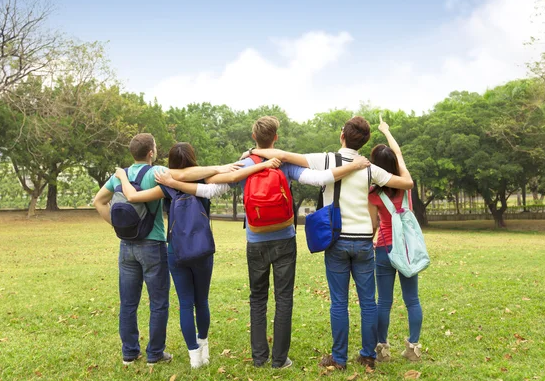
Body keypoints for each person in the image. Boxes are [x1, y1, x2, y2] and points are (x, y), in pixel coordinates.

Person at [209, 116, 371, 370]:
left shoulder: (244, 163)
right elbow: (321, 178)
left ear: (254, 138)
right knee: (283, 298)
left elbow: (213, 184)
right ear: (276, 138)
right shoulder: (284, 164)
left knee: (257, 298)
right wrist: (353, 166)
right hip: (284, 238)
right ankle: (279, 359)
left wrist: (245, 165)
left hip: (255, 239)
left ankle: (259, 357)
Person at [251, 116, 414, 370]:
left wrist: (254, 151)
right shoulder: (369, 167)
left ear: (342, 136)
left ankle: (339, 359)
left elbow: (284, 154)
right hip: (363, 242)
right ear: (364, 142)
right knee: (368, 302)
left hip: (336, 240)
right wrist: (400, 161)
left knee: (339, 302)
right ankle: (368, 356)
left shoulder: (327, 159)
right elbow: (406, 183)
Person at [113, 142, 280, 369]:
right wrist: (253, 163)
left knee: (185, 303)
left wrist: (122, 175)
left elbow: (134, 196)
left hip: (176, 250)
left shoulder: (164, 184)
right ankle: (204, 347)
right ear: (193, 159)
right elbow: (234, 177)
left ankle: (194, 356)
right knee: (202, 301)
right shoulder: (205, 182)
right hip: (202, 249)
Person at [92, 133, 243, 367]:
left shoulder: (120, 175)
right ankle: (155, 354)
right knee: (159, 302)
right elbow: (184, 175)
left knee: (128, 303)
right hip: (152, 244)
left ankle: (130, 353)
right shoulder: (156, 174)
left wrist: (118, 225)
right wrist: (221, 166)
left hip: (127, 246)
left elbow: (99, 201)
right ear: (151, 152)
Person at [367, 116, 423, 363]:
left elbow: (374, 225)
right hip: (407, 249)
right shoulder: (405, 184)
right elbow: (398, 155)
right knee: (412, 300)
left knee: (384, 302)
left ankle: (383, 349)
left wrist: (369, 240)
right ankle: (413, 348)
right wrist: (386, 131)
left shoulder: (374, 193)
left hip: (384, 249)